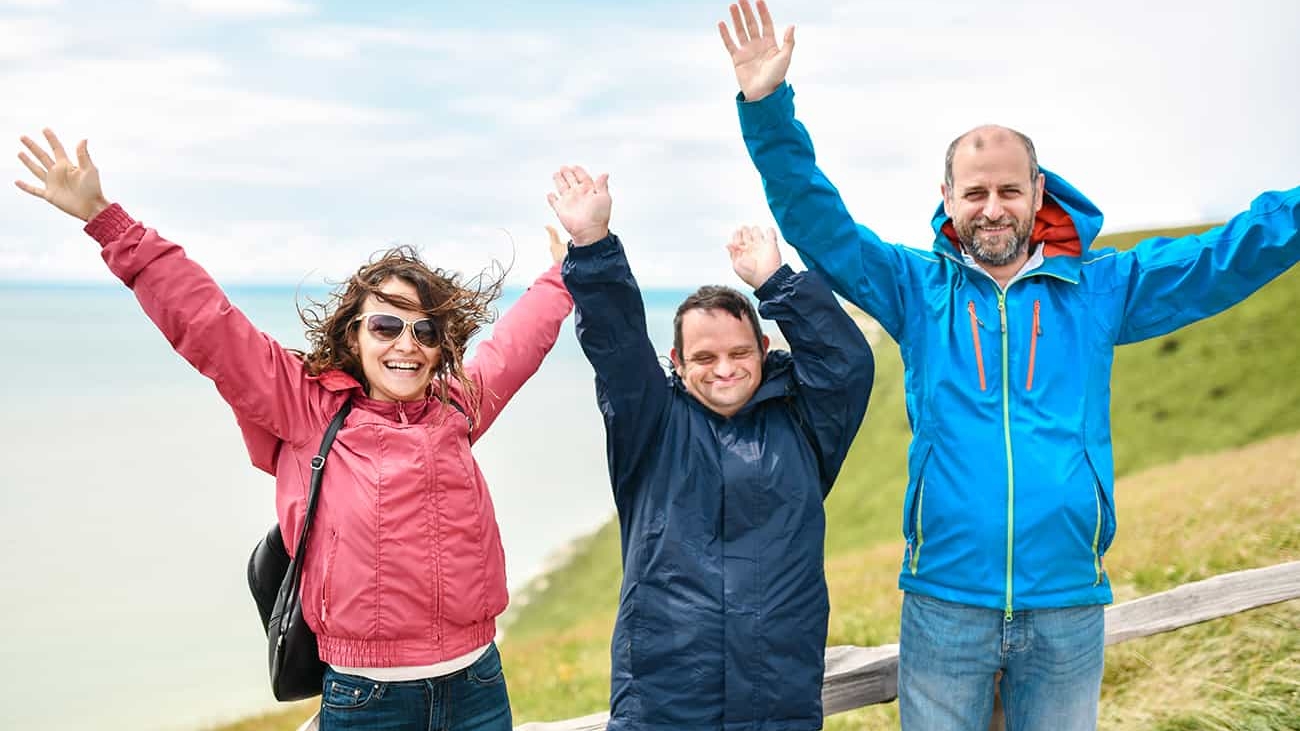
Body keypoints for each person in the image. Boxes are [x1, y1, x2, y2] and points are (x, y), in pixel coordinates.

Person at [717, 2, 1300, 728]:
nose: (992, 208)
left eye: (1008, 190)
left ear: (1037, 195)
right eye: (975, 192)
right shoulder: (914, 288)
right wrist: (768, 107)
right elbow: (816, 221)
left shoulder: (1100, 290)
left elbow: (1226, 256)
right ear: (948, 199)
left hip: (1066, 604)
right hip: (944, 602)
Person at [15, 129, 574, 731]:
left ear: (441, 349)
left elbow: (519, 342)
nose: (406, 345)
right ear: (353, 336)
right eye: (386, 326)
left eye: (426, 331)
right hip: (368, 701)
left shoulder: (457, 409)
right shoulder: (306, 407)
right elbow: (208, 323)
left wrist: (564, 276)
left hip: (478, 685)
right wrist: (107, 222)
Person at [548, 164, 874, 731]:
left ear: (764, 348)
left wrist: (776, 284)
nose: (724, 370)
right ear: (676, 362)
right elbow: (617, 342)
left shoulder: (802, 421)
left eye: (738, 354)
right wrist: (592, 244)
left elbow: (845, 364)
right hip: (665, 703)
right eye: (703, 358)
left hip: (780, 698)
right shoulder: (648, 422)